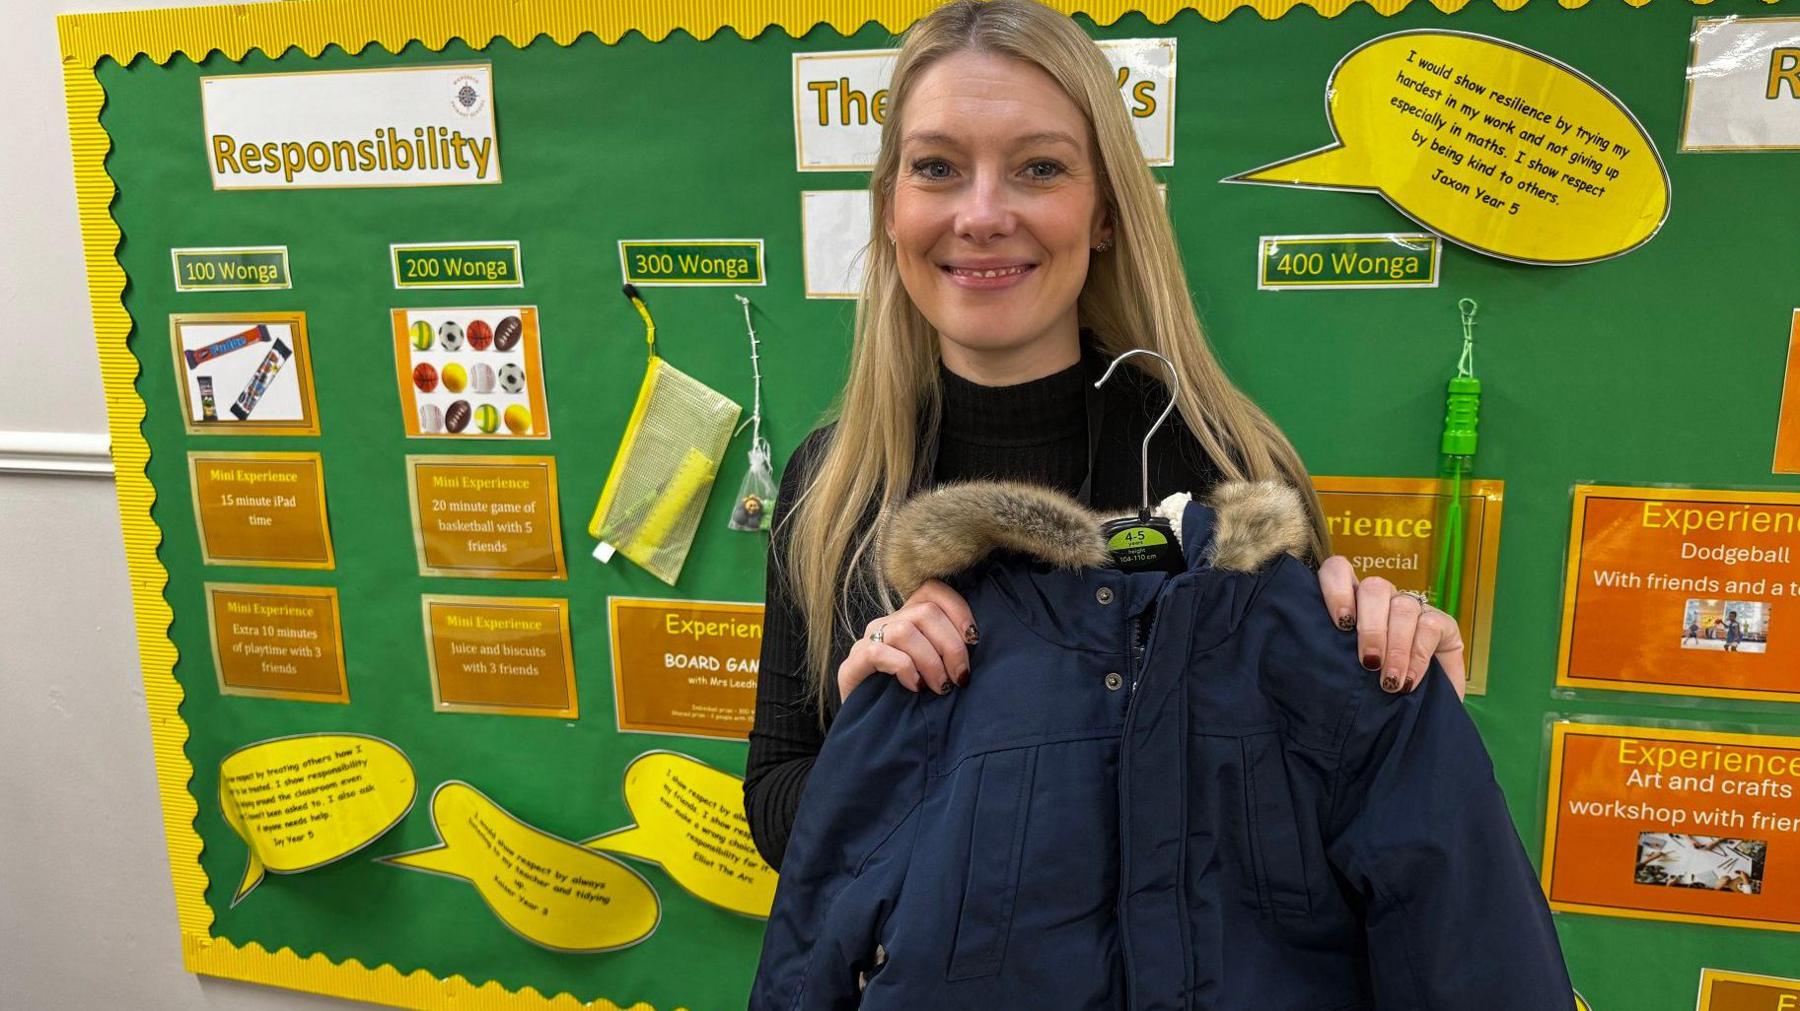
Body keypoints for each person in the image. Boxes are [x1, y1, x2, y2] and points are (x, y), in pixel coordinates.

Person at [745, 0, 1467, 873]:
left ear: (1106, 214)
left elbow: (1305, 830)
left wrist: (1408, 705)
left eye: (1039, 168)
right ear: (890, 209)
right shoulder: (831, 483)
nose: (981, 214)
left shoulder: (1232, 476)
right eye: (936, 167)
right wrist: (874, 732)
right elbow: (777, 806)